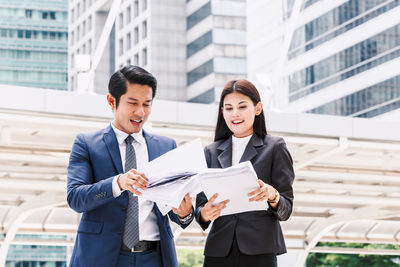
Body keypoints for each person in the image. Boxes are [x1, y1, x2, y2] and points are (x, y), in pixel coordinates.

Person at [67, 65, 194, 267]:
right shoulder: (87, 144)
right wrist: (118, 183)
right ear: (112, 101)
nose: (140, 112)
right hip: (103, 257)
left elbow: (174, 211)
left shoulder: (166, 146)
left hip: (155, 257)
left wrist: (183, 212)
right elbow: (75, 198)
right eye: (132, 103)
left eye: (147, 104)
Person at [195, 79, 295, 267]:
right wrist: (205, 214)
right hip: (219, 251)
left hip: (260, 249)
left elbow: (286, 208)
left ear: (257, 109)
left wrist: (272, 195)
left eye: (242, 107)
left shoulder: (275, 147)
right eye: (228, 108)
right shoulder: (211, 151)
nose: (235, 114)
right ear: (222, 112)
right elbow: (200, 208)